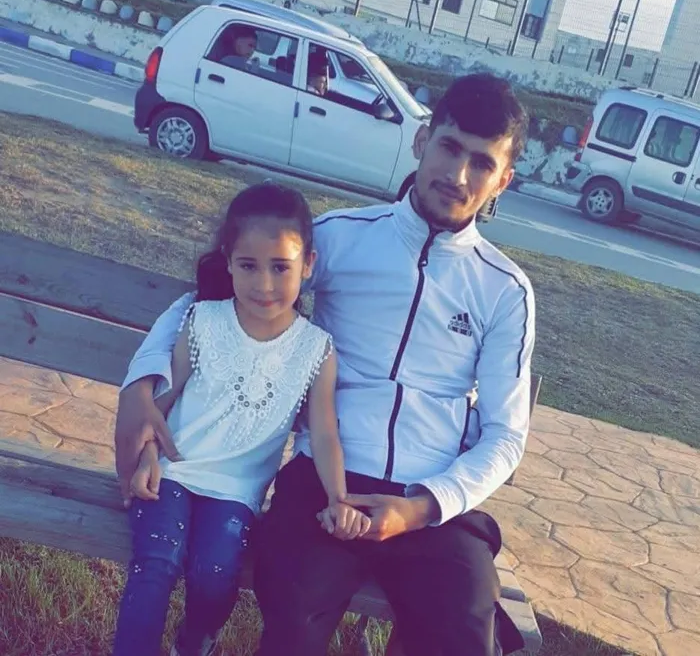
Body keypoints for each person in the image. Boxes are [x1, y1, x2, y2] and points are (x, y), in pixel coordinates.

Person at [115, 73, 535, 656]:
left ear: (503, 180)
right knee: (291, 617)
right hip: (324, 482)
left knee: (462, 637)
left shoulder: (504, 290)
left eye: (482, 163)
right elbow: (214, 298)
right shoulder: (341, 238)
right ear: (422, 140)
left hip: (432, 502)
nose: (458, 175)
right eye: (449, 147)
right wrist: (142, 382)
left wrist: (423, 507)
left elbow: (505, 435)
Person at [112, 183, 370, 656]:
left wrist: (339, 497)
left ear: (308, 265)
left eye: (281, 267)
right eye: (248, 265)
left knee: (214, 575)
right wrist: (146, 453)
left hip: (236, 492)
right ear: (228, 261)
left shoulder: (316, 349)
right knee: (156, 562)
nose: (264, 284)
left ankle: (195, 641)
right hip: (173, 472)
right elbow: (162, 402)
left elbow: (324, 433)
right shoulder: (203, 321)